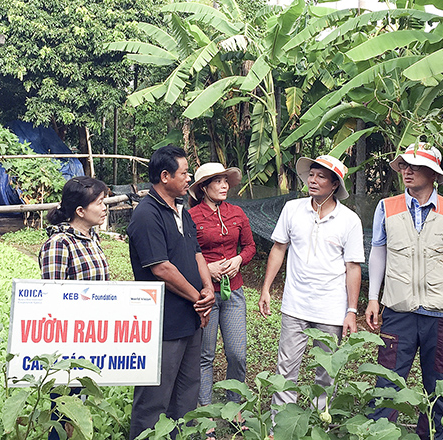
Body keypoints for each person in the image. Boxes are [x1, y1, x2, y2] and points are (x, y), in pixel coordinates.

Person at [365, 143, 443, 440]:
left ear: (434, 174)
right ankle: (378, 435)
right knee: (387, 385)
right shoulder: (386, 207)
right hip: (398, 311)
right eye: (404, 165)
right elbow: (378, 252)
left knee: (440, 390)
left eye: (416, 167)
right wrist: (373, 298)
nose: (407, 171)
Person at [258, 155, 364, 412]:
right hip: (295, 304)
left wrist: (351, 311)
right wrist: (266, 289)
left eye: (321, 176)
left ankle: (320, 423)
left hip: (331, 309)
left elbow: (353, 267)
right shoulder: (292, 209)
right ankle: (279, 424)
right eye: (311, 175)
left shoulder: (349, 220)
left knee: (327, 372)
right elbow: (279, 248)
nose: (313, 180)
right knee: (286, 369)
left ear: (335, 184)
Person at [127, 145, 215, 440]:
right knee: (154, 397)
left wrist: (208, 288)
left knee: (187, 392)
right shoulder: (146, 214)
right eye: (184, 173)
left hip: (191, 318)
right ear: (165, 176)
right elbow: (161, 268)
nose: (189, 178)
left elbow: (197, 253)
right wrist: (198, 298)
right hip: (163, 322)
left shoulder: (182, 211)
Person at [38, 175, 110, 440]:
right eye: (99, 202)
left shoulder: (91, 238)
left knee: (78, 403)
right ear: (80, 210)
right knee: (63, 404)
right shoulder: (59, 244)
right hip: (68, 339)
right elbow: (53, 297)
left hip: (90, 334)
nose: (104, 207)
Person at [188, 163, 255, 429]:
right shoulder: (191, 216)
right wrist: (207, 268)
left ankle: (234, 407)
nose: (224, 185)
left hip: (233, 292)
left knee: (237, 353)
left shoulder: (237, 213)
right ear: (204, 188)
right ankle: (206, 415)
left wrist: (238, 260)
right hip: (205, 294)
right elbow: (185, 254)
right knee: (205, 355)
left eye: (226, 180)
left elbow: (249, 246)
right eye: (217, 181)